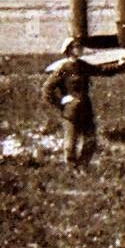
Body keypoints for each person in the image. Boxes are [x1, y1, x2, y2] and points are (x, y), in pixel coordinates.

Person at [42, 38, 97, 166]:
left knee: (91, 140)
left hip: (85, 108)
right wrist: (60, 102)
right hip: (70, 111)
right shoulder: (63, 68)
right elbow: (47, 89)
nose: (81, 48)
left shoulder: (83, 65)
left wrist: (120, 65)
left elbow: (101, 70)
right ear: (70, 50)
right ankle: (71, 168)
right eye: (77, 46)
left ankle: (83, 165)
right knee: (71, 143)